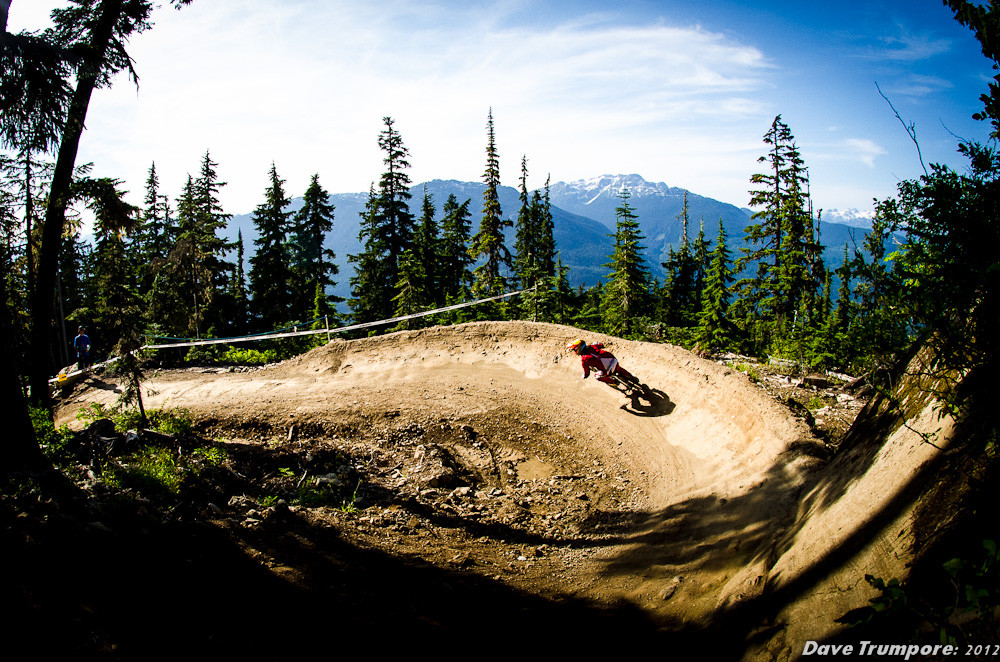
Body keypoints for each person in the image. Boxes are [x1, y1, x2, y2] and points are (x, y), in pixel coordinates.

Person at [566, 338, 637, 386]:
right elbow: (600, 345)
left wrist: (584, 376)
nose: (575, 351)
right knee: (619, 368)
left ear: (579, 348)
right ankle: (632, 377)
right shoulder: (592, 346)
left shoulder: (584, 359)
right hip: (613, 360)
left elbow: (586, 372)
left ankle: (614, 382)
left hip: (607, 370)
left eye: (575, 349)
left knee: (597, 377)